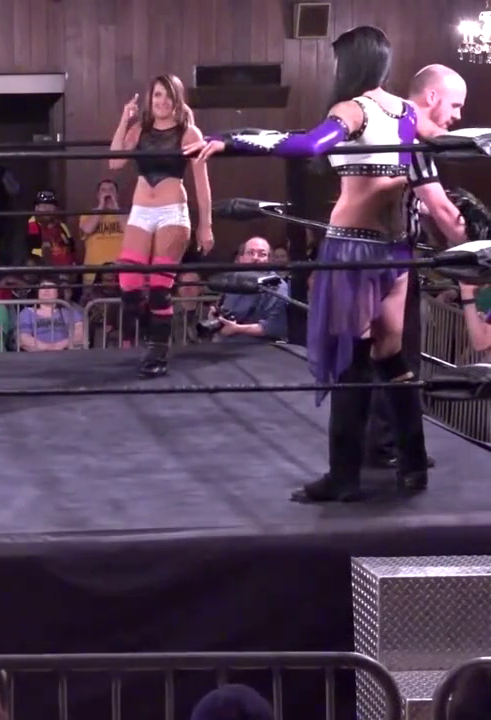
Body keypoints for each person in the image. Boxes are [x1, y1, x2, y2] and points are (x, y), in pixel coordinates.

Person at [185, 26, 429, 502]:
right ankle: (414, 466)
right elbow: (426, 146)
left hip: (354, 248)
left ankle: (344, 477)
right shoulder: (405, 110)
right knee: (390, 355)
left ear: (350, 64)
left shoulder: (353, 109)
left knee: (352, 359)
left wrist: (234, 142)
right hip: (397, 249)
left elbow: (312, 145)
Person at [365, 64, 468, 471]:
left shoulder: (386, 126)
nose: (457, 116)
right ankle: (387, 445)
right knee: (399, 351)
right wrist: (477, 253)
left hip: (363, 252)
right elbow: (440, 208)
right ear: (432, 97)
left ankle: (381, 443)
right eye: (454, 105)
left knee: (377, 351)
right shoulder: (410, 138)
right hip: (391, 256)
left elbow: (413, 199)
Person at [108, 74, 214, 377]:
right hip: (141, 211)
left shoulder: (188, 133)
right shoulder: (139, 129)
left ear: (177, 100)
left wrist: (206, 225)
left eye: (168, 96)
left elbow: (202, 183)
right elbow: (115, 162)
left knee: (158, 288)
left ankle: (158, 350)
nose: (162, 101)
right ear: (150, 98)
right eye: (157, 95)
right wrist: (124, 118)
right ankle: (153, 331)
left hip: (172, 212)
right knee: (129, 286)